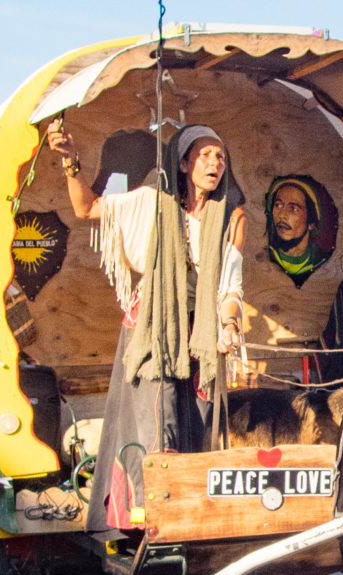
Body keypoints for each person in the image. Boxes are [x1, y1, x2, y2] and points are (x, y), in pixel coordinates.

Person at [47, 120, 246, 529]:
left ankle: (190, 513)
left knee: (200, 417)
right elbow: (87, 208)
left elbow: (230, 290)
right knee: (159, 420)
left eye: (221, 157)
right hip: (153, 328)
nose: (214, 163)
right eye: (205, 155)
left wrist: (227, 325)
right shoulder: (150, 203)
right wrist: (70, 161)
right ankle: (147, 515)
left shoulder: (225, 221)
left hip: (199, 336)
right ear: (186, 163)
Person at [264, 175, 335, 288]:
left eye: (294, 209)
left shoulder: (319, 260)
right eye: (278, 205)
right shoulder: (268, 255)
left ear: (311, 223)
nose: (282, 215)